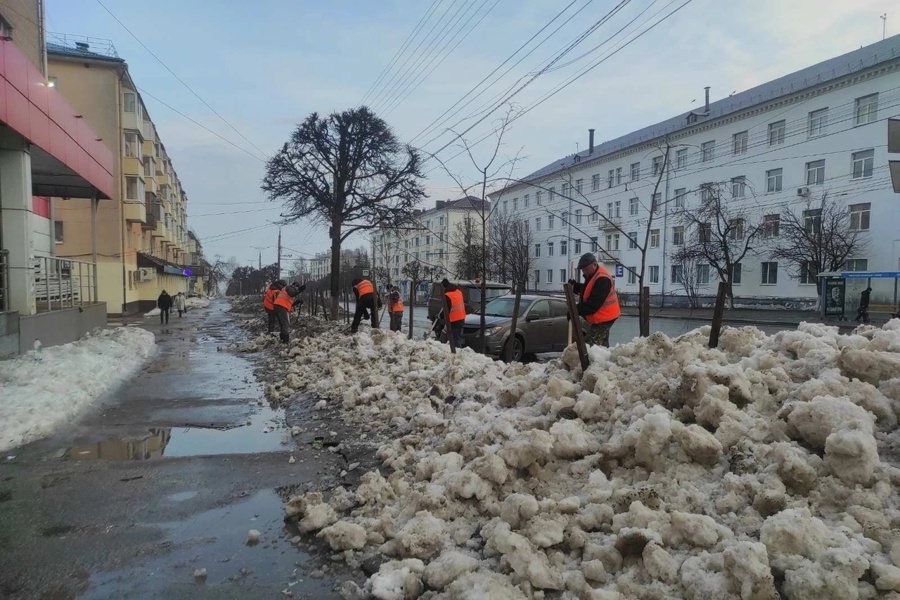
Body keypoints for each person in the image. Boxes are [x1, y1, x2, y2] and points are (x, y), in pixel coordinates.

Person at [568, 253, 620, 347]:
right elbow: (589, 290)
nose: (584, 272)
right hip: (603, 316)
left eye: (586, 269)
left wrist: (575, 310)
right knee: (602, 347)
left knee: (590, 347)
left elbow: (593, 304)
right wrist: (576, 287)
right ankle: (604, 359)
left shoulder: (602, 279)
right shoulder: (593, 275)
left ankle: (590, 361)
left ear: (595, 264)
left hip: (605, 316)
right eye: (583, 270)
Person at [441, 279, 466, 348]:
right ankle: (456, 349)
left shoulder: (447, 295)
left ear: (444, 287)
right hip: (461, 317)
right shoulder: (458, 291)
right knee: (457, 336)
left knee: (455, 338)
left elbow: (447, 309)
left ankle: (457, 352)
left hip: (454, 319)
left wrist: (441, 315)